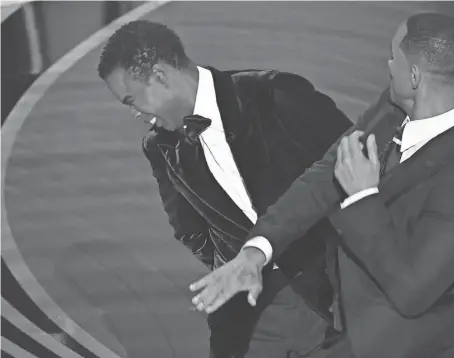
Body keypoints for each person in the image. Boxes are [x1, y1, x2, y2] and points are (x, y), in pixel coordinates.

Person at [190, 13, 454, 358]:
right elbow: (326, 174)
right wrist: (257, 250)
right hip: (357, 320)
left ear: (414, 76)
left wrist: (363, 197)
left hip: (418, 342)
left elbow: (412, 292)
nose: (387, 65)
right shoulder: (396, 106)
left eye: (393, 58)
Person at [97, 20, 353, 358]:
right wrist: (233, 262)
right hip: (250, 309)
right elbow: (189, 229)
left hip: (333, 292)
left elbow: (359, 167)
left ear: (160, 76)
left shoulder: (274, 95)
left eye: (132, 100)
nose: (134, 114)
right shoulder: (159, 147)